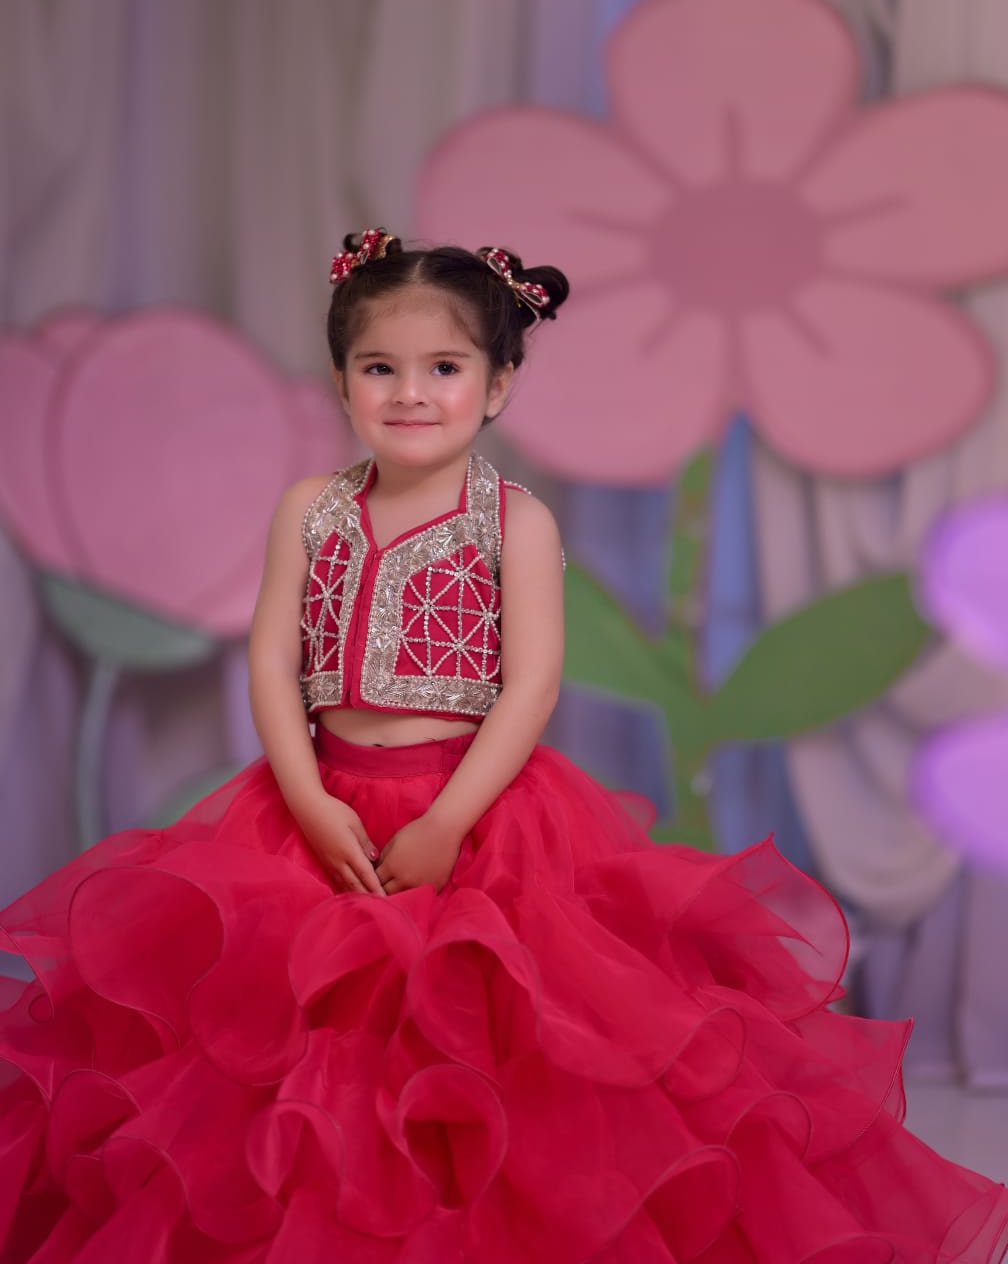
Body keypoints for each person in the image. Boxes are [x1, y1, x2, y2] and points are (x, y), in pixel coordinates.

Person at [1, 228, 1006, 1263]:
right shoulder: (310, 509)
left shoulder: (514, 524)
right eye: (379, 369)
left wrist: (446, 823)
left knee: (478, 1047)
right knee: (297, 1054)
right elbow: (270, 661)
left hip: (476, 817)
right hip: (317, 810)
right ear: (342, 380)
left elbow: (531, 686)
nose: (410, 393)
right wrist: (305, 798)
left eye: (445, 368)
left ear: (499, 385)